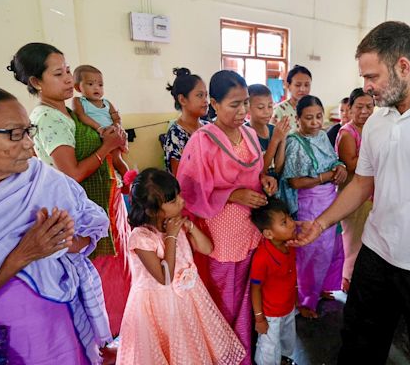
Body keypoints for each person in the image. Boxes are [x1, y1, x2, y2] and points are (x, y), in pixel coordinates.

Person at [294, 21, 410, 364]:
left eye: (372, 76)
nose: (367, 87)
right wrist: (320, 224)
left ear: (403, 66)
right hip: (377, 254)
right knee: (359, 343)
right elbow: (363, 182)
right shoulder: (378, 120)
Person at [0, 84, 114, 364]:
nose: (30, 145)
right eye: (14, 135)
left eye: (28, 132)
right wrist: (24, 255)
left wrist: (66, 241)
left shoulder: (43, 181)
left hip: (60, 331)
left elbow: (90, 230)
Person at [8, 42, 130, 336]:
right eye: (57, 74)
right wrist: (106, 148)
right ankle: (109, 341)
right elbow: (71, 174)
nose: (67, 79)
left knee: (118, 277)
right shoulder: (46, 118)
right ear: (36, 82)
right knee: (103, 284)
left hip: (103, 204)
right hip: (78, 214)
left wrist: (111, 135)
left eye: (67, 71)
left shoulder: (70, 111)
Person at [177, 70, 277, 364]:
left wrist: (265, 180)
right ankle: (220, 355)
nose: (243, 111)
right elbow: (190, 188)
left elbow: (255, 174)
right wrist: (233, 194)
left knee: (248, 296)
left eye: (245, 102)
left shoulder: (247, 133)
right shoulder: (203, 140)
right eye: (234, 104)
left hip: (250, 229)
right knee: (223, 298)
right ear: (215, 105)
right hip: (221, 234)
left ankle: (242, 354)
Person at [117, 168, 246, 364]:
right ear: (152, 210)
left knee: (191, 348)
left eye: (178, 195)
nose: (181, 201)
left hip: (189, 299)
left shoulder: (174, 223)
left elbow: (207, 248)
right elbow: (165, 277)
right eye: (173, 200)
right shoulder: (141, 238)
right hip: (159, 307)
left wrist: (190, 228)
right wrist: (171, 236)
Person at [278, 95, 347, 319]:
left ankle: (323, 287)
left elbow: (333, 159)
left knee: (333, 249)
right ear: (298, 119)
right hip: (310, 204)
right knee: (312, 254)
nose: (316, 123)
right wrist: (325, 176)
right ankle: (305, 299)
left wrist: (340, 167)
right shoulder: (294, 142)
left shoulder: (322, 136)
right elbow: (294, 181)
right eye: (309, 118)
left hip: (330, 200)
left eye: (318, 117)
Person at [335, 88, 375, 293]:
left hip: (372, 194)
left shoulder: (373, 129)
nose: (365, 111)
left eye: (369, 106)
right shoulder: (347, 132)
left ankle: (360, 281)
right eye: (359, 107)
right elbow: (350, 164)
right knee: (354, 243)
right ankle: (348, 281)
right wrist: (379, 154)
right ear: (350, 109)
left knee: (368, 242)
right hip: (354, 195)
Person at [250, 197, 298, 365]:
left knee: (287, 340)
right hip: (271, 315)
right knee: (269, 348)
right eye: (284, 222)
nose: (292, 223)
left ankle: (284, 360)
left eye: (290, 218)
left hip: (288, 308)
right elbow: (255, 288)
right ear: (268, 233)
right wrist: (259, 319)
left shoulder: (289, 246)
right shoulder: (262, 257)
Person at [72, 64, 130, 192]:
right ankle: (116, 183)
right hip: (95, 138)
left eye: (100, 84)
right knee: (102, 166)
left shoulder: (107, 103)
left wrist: (117, 130)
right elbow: (81, 116)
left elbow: (117, 119)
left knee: (117, 159)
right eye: (90, 84)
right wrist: (99, 128)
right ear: (77, 87)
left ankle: (129, 185)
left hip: (111, 136)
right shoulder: (79, 101)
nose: (96, 88)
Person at [163, 67, 208, 176]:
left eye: (206, 95)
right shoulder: (176, 135)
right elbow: (180, 179)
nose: (206, 101)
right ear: (182, 99)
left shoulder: (208, 128)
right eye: (200, 95)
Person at [246, 83, 290, 178]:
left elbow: (278, 169)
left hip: (275, 187)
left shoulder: (274, 130)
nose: (267, 112)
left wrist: (282, 138)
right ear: (248, 108)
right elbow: (260, 171)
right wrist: (275, 140)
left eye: (270, 106)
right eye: (261, 107)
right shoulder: (244, 133)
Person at [272, 65, 313, 132]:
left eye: (306, 85)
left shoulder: (313, 108)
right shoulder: (279, 110)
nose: (302, 89)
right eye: (298, 85)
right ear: (288, 86)